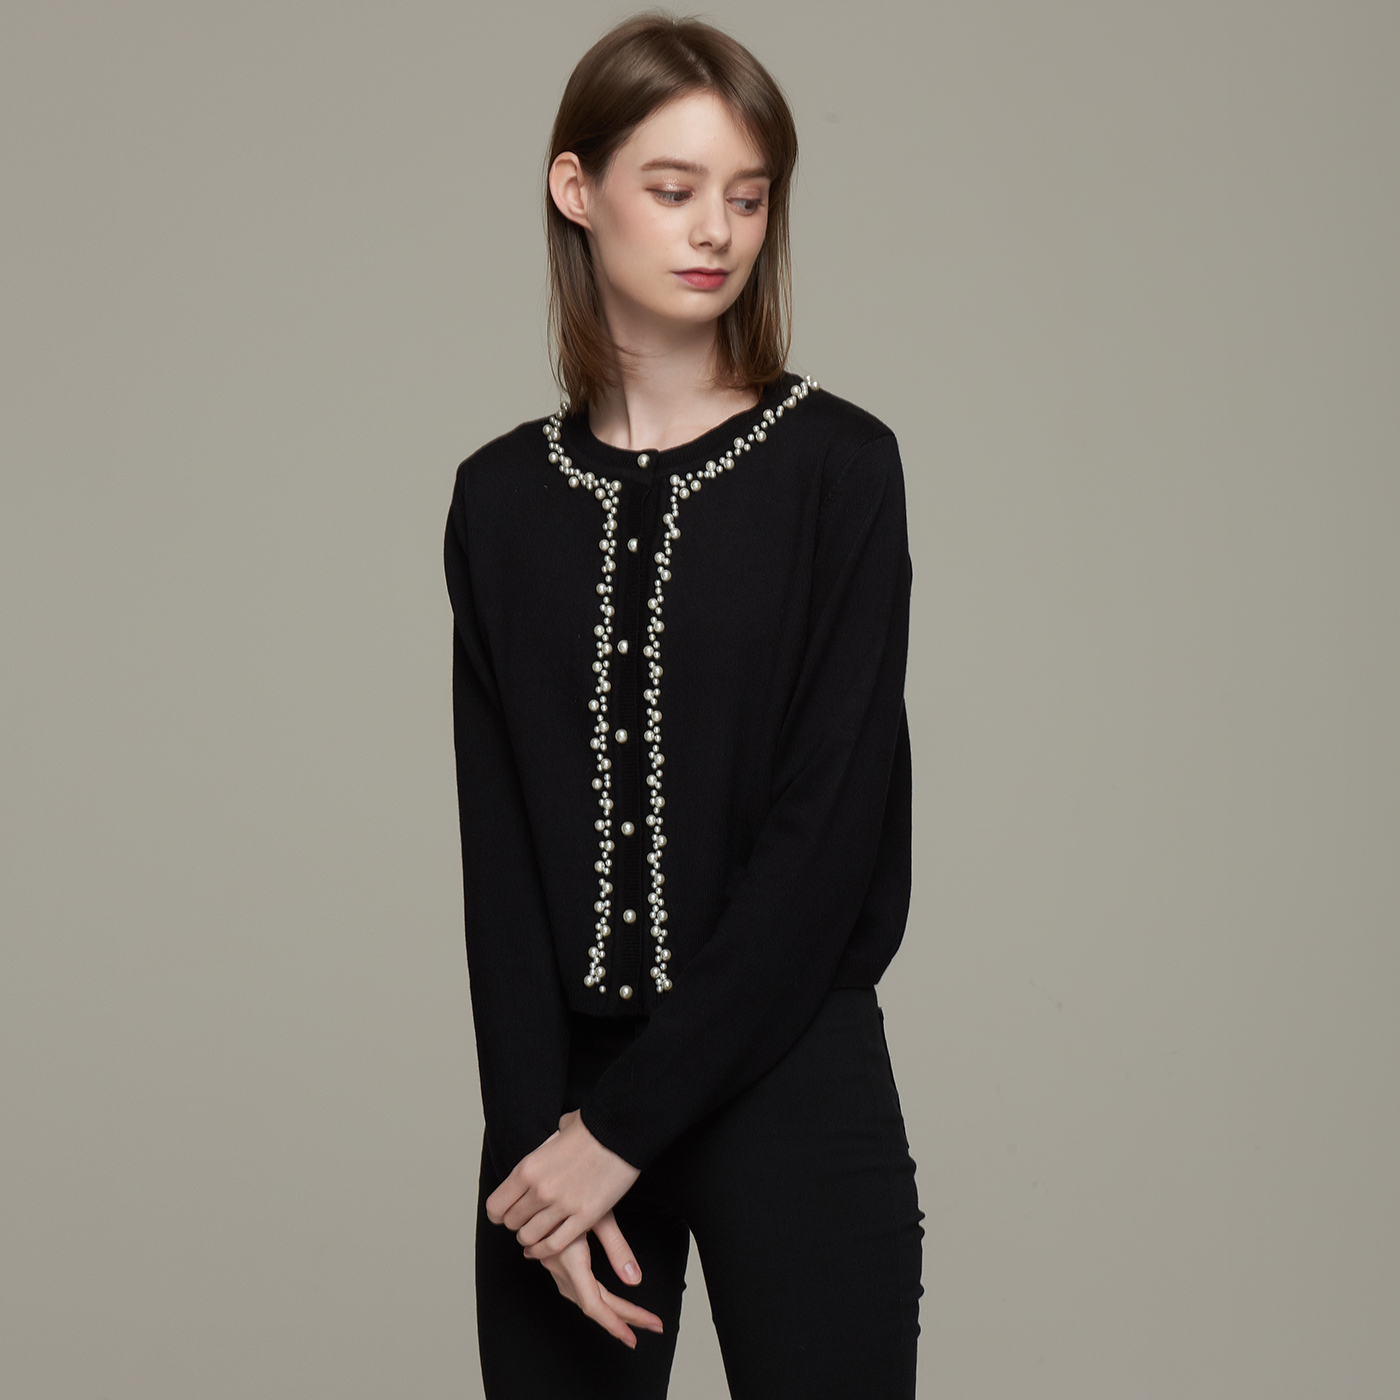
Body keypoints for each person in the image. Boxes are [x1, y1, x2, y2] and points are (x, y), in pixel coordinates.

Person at [443, 13, 923, 1398]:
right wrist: (539, 1151)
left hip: (794, 1080)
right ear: (576, 187)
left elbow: (826, 842)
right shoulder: (498, 499)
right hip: (557, 1111)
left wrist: (622, 1131)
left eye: (749, 197)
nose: (717, 229)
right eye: (673, 188)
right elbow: (500, 861)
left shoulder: (841, 470)